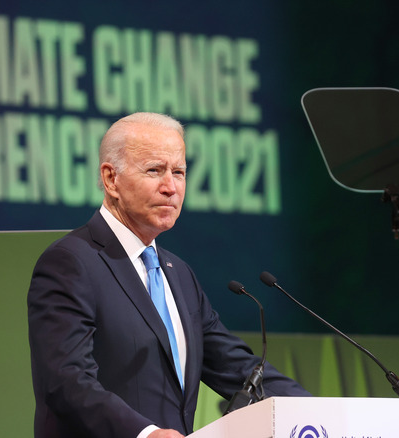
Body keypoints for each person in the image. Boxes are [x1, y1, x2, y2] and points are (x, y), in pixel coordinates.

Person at [27, 112, 309, 438]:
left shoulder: (178, 274)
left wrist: (319, 411)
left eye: (179, 172)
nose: (170, 188)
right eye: (155, 171)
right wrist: (145, 433)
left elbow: (239, 369)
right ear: (110, 179)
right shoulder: (71, 262)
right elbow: (65, 381)